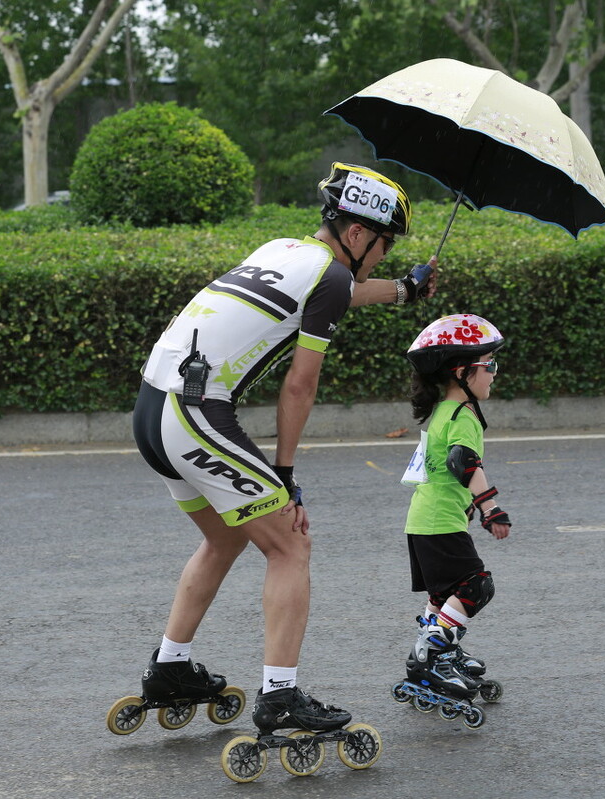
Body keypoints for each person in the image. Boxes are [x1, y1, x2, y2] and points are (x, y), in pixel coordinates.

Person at [130, 162, 435, 734]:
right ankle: (280, 696)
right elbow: (300, 384)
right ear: (357, 233)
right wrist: (285, 475)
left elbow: (337, 294)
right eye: (385, 245)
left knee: (226, 538)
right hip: (194, 413)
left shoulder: (284, 251)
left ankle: (170, 667)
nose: (385, 256)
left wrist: (405, 291)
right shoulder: (332, 276)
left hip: (152, 410)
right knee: (291, 544)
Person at [401, 313, 511, 701]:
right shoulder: (463, 415)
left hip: (424, 519)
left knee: (442, 595)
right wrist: (490, 508)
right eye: (489, 365)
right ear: (463, 372)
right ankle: (432, 657)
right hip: (440, 521)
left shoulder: (442, 412)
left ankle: (432, 655)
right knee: (476, 586)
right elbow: (463, 462)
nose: (494, 374)